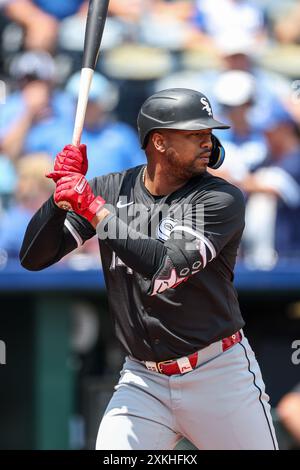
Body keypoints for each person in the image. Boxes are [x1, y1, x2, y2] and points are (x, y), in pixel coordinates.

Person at [20, 88, 278, 450]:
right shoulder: (111, 189)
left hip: (218, 375)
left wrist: (93, 208)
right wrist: (59, 196)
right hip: (143, 380)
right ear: (159, 141)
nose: (208, 143)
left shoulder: (220, 198)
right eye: (194, 135)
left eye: (208, 134)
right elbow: (34, 258)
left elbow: (164, 268)